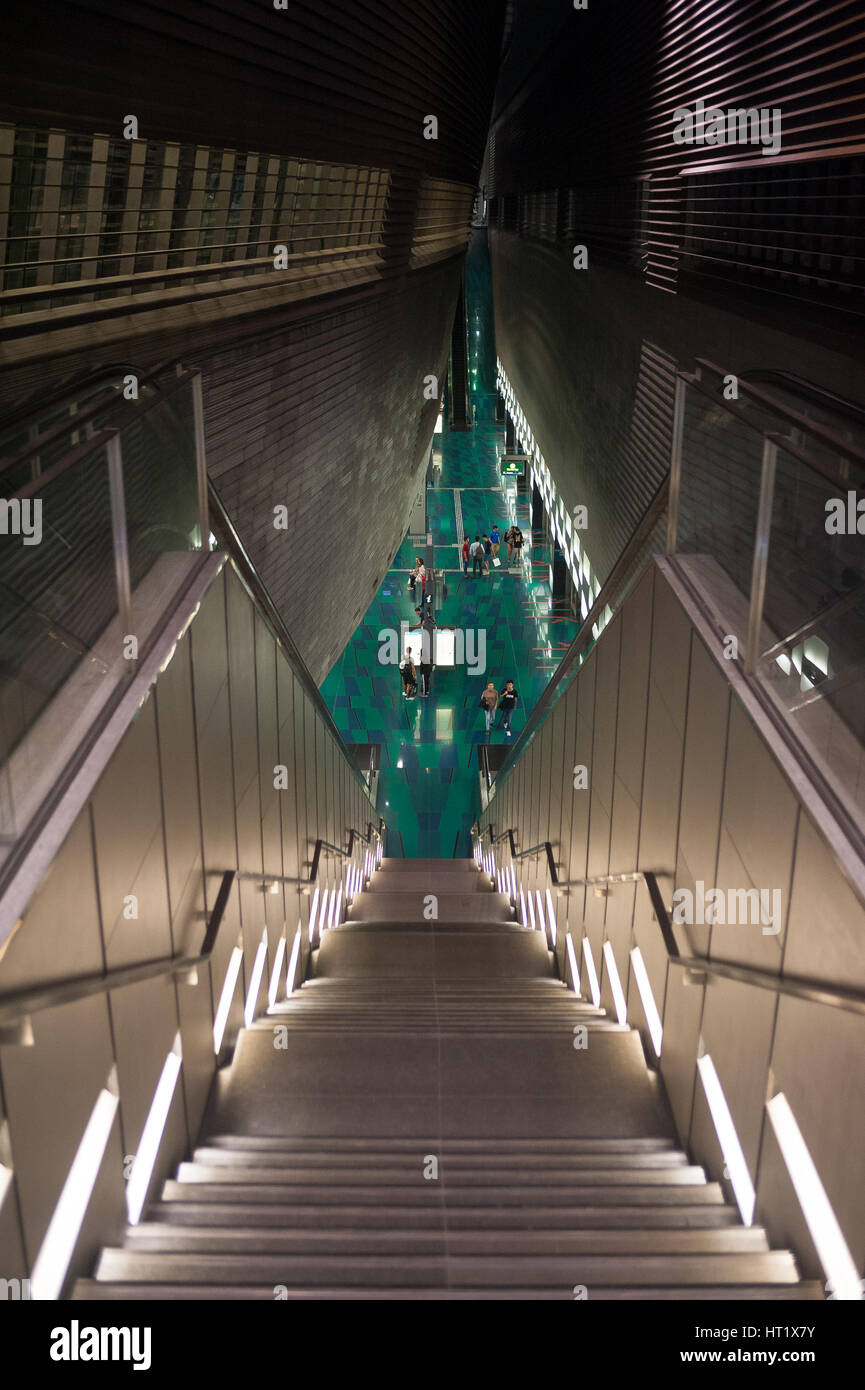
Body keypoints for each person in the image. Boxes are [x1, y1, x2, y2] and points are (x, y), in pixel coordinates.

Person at [410, 606, 436, 696]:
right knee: (427, 681)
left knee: (425, 681)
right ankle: (426, 691)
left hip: (425, 672)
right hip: (427, 671)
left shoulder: (422, 615)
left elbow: (423, 622)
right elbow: (421, 622)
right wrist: (417, 625)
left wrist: (421, 626)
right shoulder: (428, 657)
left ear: (418, 611)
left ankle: (425, 693)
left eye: (417, 612)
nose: (417, 614)